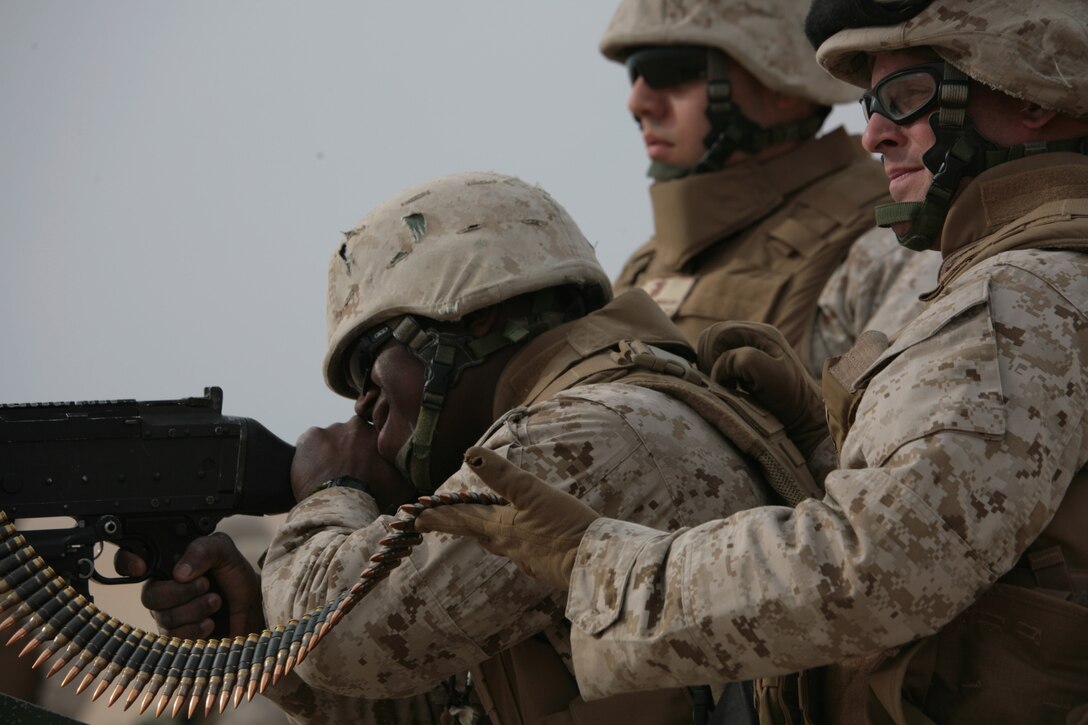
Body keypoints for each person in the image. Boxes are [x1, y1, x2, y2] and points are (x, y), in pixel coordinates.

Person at [416, 2, 1088, 722]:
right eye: (871, 104)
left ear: (1026, 98)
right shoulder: (1030, 279)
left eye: (907, 98)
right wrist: (812, 447)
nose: (872, 133)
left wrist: (596, 565)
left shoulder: (1018, 294)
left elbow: (880, 567)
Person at [123, 171, 808, 724]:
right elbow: (437, 690)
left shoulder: (585, 436)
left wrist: (338, 491)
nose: (362, 404)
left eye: (370, 359)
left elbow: (337, 643)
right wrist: (252, 639)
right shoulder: (608, 413)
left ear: (475, 313)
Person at [601, 0, 939, 376]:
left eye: (670, 72)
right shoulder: (647, 264)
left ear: (781, 81)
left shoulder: (888, 238)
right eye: (635, 74)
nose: (639, 102)